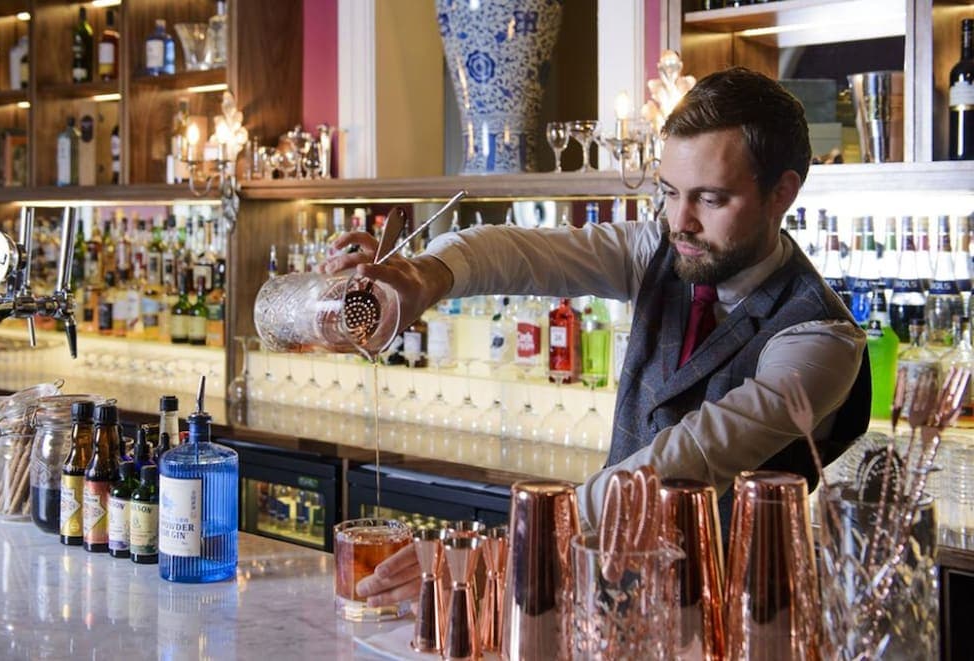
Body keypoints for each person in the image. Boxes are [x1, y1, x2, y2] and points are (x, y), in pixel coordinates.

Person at [322, 66, 871, 607]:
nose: (680, 221)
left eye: (710, 199)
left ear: (781, 193)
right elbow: (517, 252)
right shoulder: (655, 250)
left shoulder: (819, 340)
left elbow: (683, 462)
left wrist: (510, 543)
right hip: (612, 595)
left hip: (736, 613)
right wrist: (423, 274)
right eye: (669, 192)